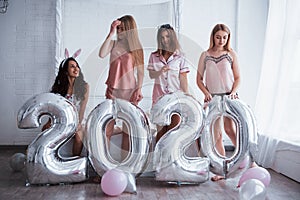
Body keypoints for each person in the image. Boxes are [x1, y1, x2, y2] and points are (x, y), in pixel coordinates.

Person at [196, 23, 256, 181]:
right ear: (213, 37)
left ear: (228, 38)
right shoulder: (205, 55)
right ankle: (221, 170)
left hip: (229, 98)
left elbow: (238, 78)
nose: (221, 40)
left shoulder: (231, 54)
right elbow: (199, 80)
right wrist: (206, 93)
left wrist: (234, 91)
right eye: (218, 37)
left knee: (231, 130)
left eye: (224, 37)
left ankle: (251, 161)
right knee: (217, 135)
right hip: (213, 98)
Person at [98, 15, 144, 159]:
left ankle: (124, 164)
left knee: (127, 131)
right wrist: (110, 32)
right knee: (107, 129)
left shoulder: (136, 48)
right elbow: (101, 54)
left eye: (123, 29)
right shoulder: (113, 44)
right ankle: (104, 165)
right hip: (113, 91)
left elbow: (141, 72)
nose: (120, 32)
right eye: (119, 28)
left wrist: (139, 89)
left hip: (129, 92)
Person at [147, 24, 189, 143]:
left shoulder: (180, 57)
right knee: (161, 132)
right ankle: (158, 160)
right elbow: (151, 75)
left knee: (173, 131)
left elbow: (183, 78)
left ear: (172, 38)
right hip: (159, 98)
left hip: (175, 98)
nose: (165, 40)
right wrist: (160, 71)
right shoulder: (153, 56)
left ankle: (170, 160)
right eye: (162, 37)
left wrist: (186, 95)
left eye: (167, 37)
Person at [42, 54, 89, 157]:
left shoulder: (84, 86)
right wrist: (50, 122)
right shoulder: (59, 88)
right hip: (64, 119)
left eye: (77, 66)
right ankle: (49, 157)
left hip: (78, 119)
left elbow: (82, 108)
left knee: (78, 135)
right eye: (72, 66)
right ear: (66, 71)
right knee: (45, 130)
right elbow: (54, 108)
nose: (76, 69)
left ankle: (73, 160)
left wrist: (78, 124)